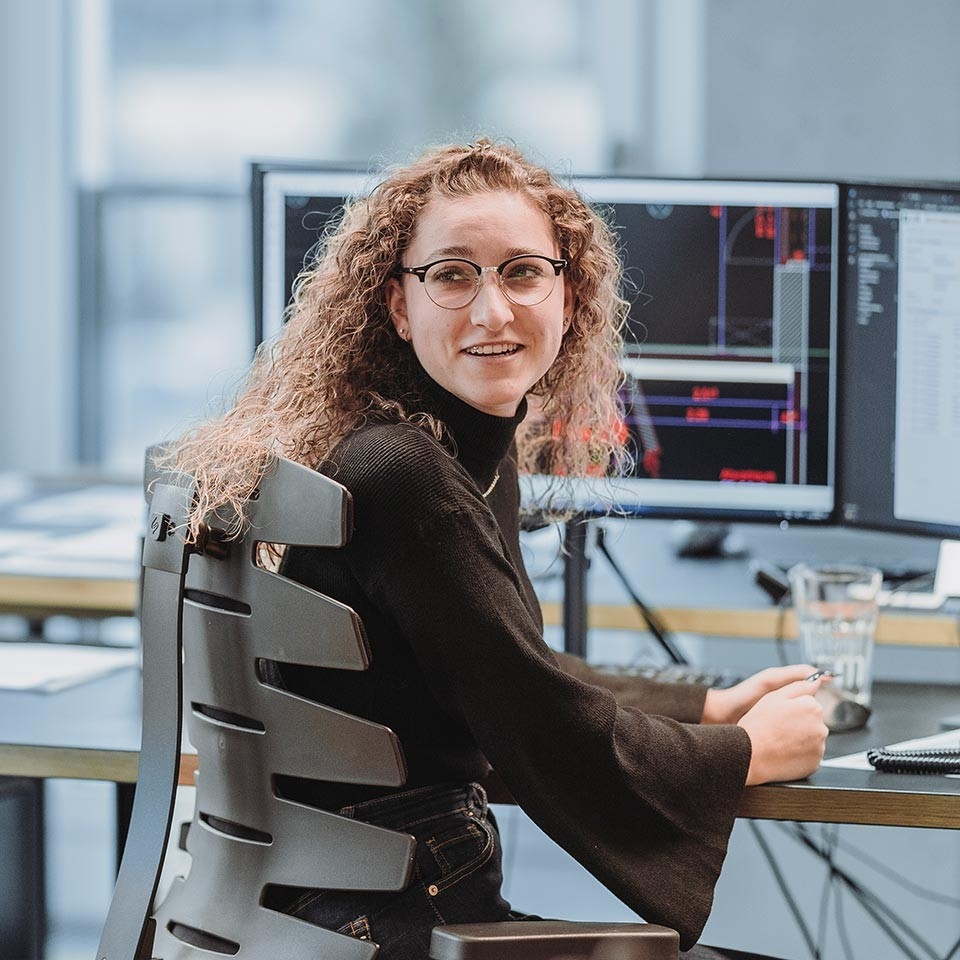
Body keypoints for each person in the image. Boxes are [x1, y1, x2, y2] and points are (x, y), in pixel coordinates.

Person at [165, 139, 829, 959]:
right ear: (398, 306)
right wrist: (747, 754)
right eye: (451, 274)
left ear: (569, 296)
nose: (492, 311)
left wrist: (702, 709)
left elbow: (495, 665)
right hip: (395, 927)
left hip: (305, 922)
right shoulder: (403, 472)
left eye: (522, 272)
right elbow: (533, 720)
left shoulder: (423, 448)